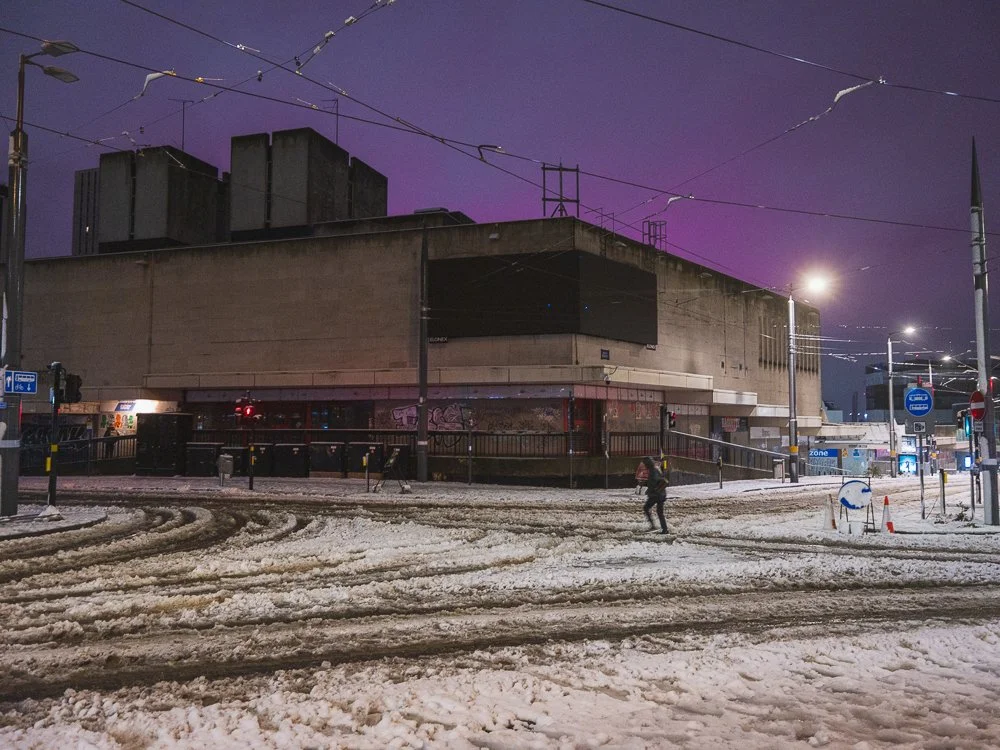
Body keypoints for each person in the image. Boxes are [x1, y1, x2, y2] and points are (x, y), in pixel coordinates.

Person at [641, 456, 669, 534]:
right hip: (661, 494)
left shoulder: (653, 471)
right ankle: (665, 529)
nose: (645, 466)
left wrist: (649, 490)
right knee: (660, 512)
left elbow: (654, 483)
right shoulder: (656, 469)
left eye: (645, 464)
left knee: (646, 508)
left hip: (656, 495)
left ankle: (653, 526)